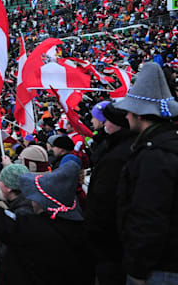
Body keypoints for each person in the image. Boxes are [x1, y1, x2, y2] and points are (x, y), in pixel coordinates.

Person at [0, 146, 93, 284]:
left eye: (36, 196)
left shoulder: (32, 229)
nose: (32, 199)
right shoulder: (78, 226)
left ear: (46, 203)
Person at [114, 62, 178, 284]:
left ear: (140, 115)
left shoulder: (154, 156)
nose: (127, 116)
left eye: (130, 111)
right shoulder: (165, 145)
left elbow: (149, 217)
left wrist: (137, 269)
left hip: (159, 269)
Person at [85, 103, 134, 285]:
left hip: (111, 246)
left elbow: (105, 201)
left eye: (107, 120)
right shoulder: (113, 146)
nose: (103, 123)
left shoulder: (117, 155)